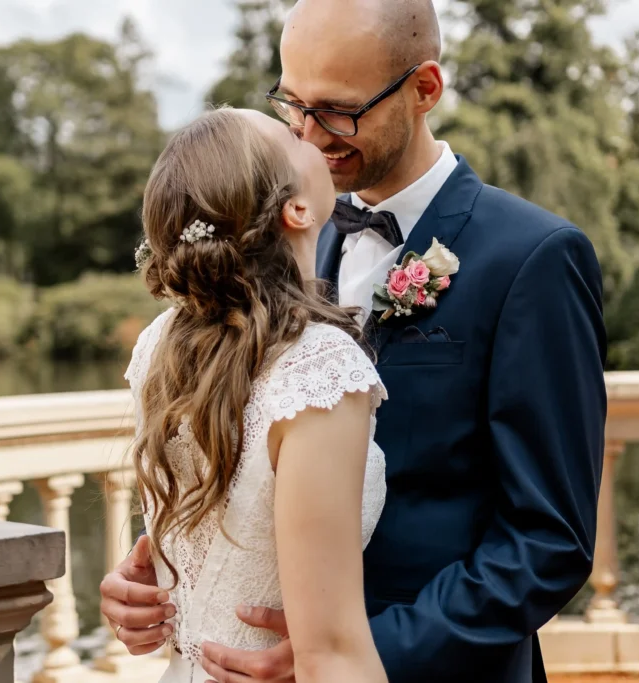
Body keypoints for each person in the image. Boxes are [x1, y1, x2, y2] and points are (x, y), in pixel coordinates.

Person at [101, 0, 608, 681]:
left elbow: (549, 540)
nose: (308, 135)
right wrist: (173, 569)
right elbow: (258, 458)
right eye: (292, 103)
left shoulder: (534, 257)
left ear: (425, 88)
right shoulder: (279, 241)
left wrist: (349, 649)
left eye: (337, 110)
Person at [122, 106, 392, 683]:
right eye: (294, 136)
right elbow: (334, 653)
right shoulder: (318, 367)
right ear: (295, 208)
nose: (311, 131)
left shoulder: (161, 344)